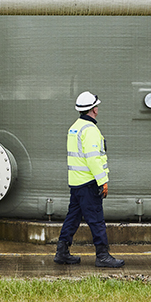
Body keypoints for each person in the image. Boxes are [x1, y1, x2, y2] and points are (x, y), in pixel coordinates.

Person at [53, 91, 124, 268]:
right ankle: (103, 256)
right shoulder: (90, 130)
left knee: (73, 217)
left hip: (76, 183)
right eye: (96, 106)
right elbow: (93, 158)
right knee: (96, 219)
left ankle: (62, 252)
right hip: (88, 183)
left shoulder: (74, 127)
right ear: (93, 109)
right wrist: (103, 181)